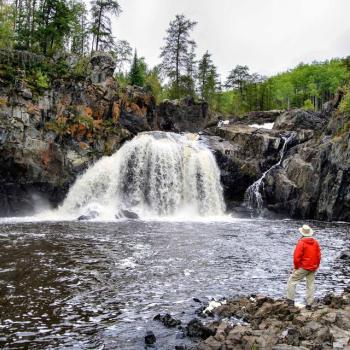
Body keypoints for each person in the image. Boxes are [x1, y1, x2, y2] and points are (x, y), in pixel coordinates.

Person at [286, 224, 321, 309]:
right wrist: (316, 266)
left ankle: (290, 301)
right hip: (313, 267)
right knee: (310, 285)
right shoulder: (315, 242)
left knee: (292, 281)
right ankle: (309, 305)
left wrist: (296, 267)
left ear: (302, 233)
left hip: (304, 267)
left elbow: (296, 257)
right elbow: (319, 256)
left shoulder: (301, 242)